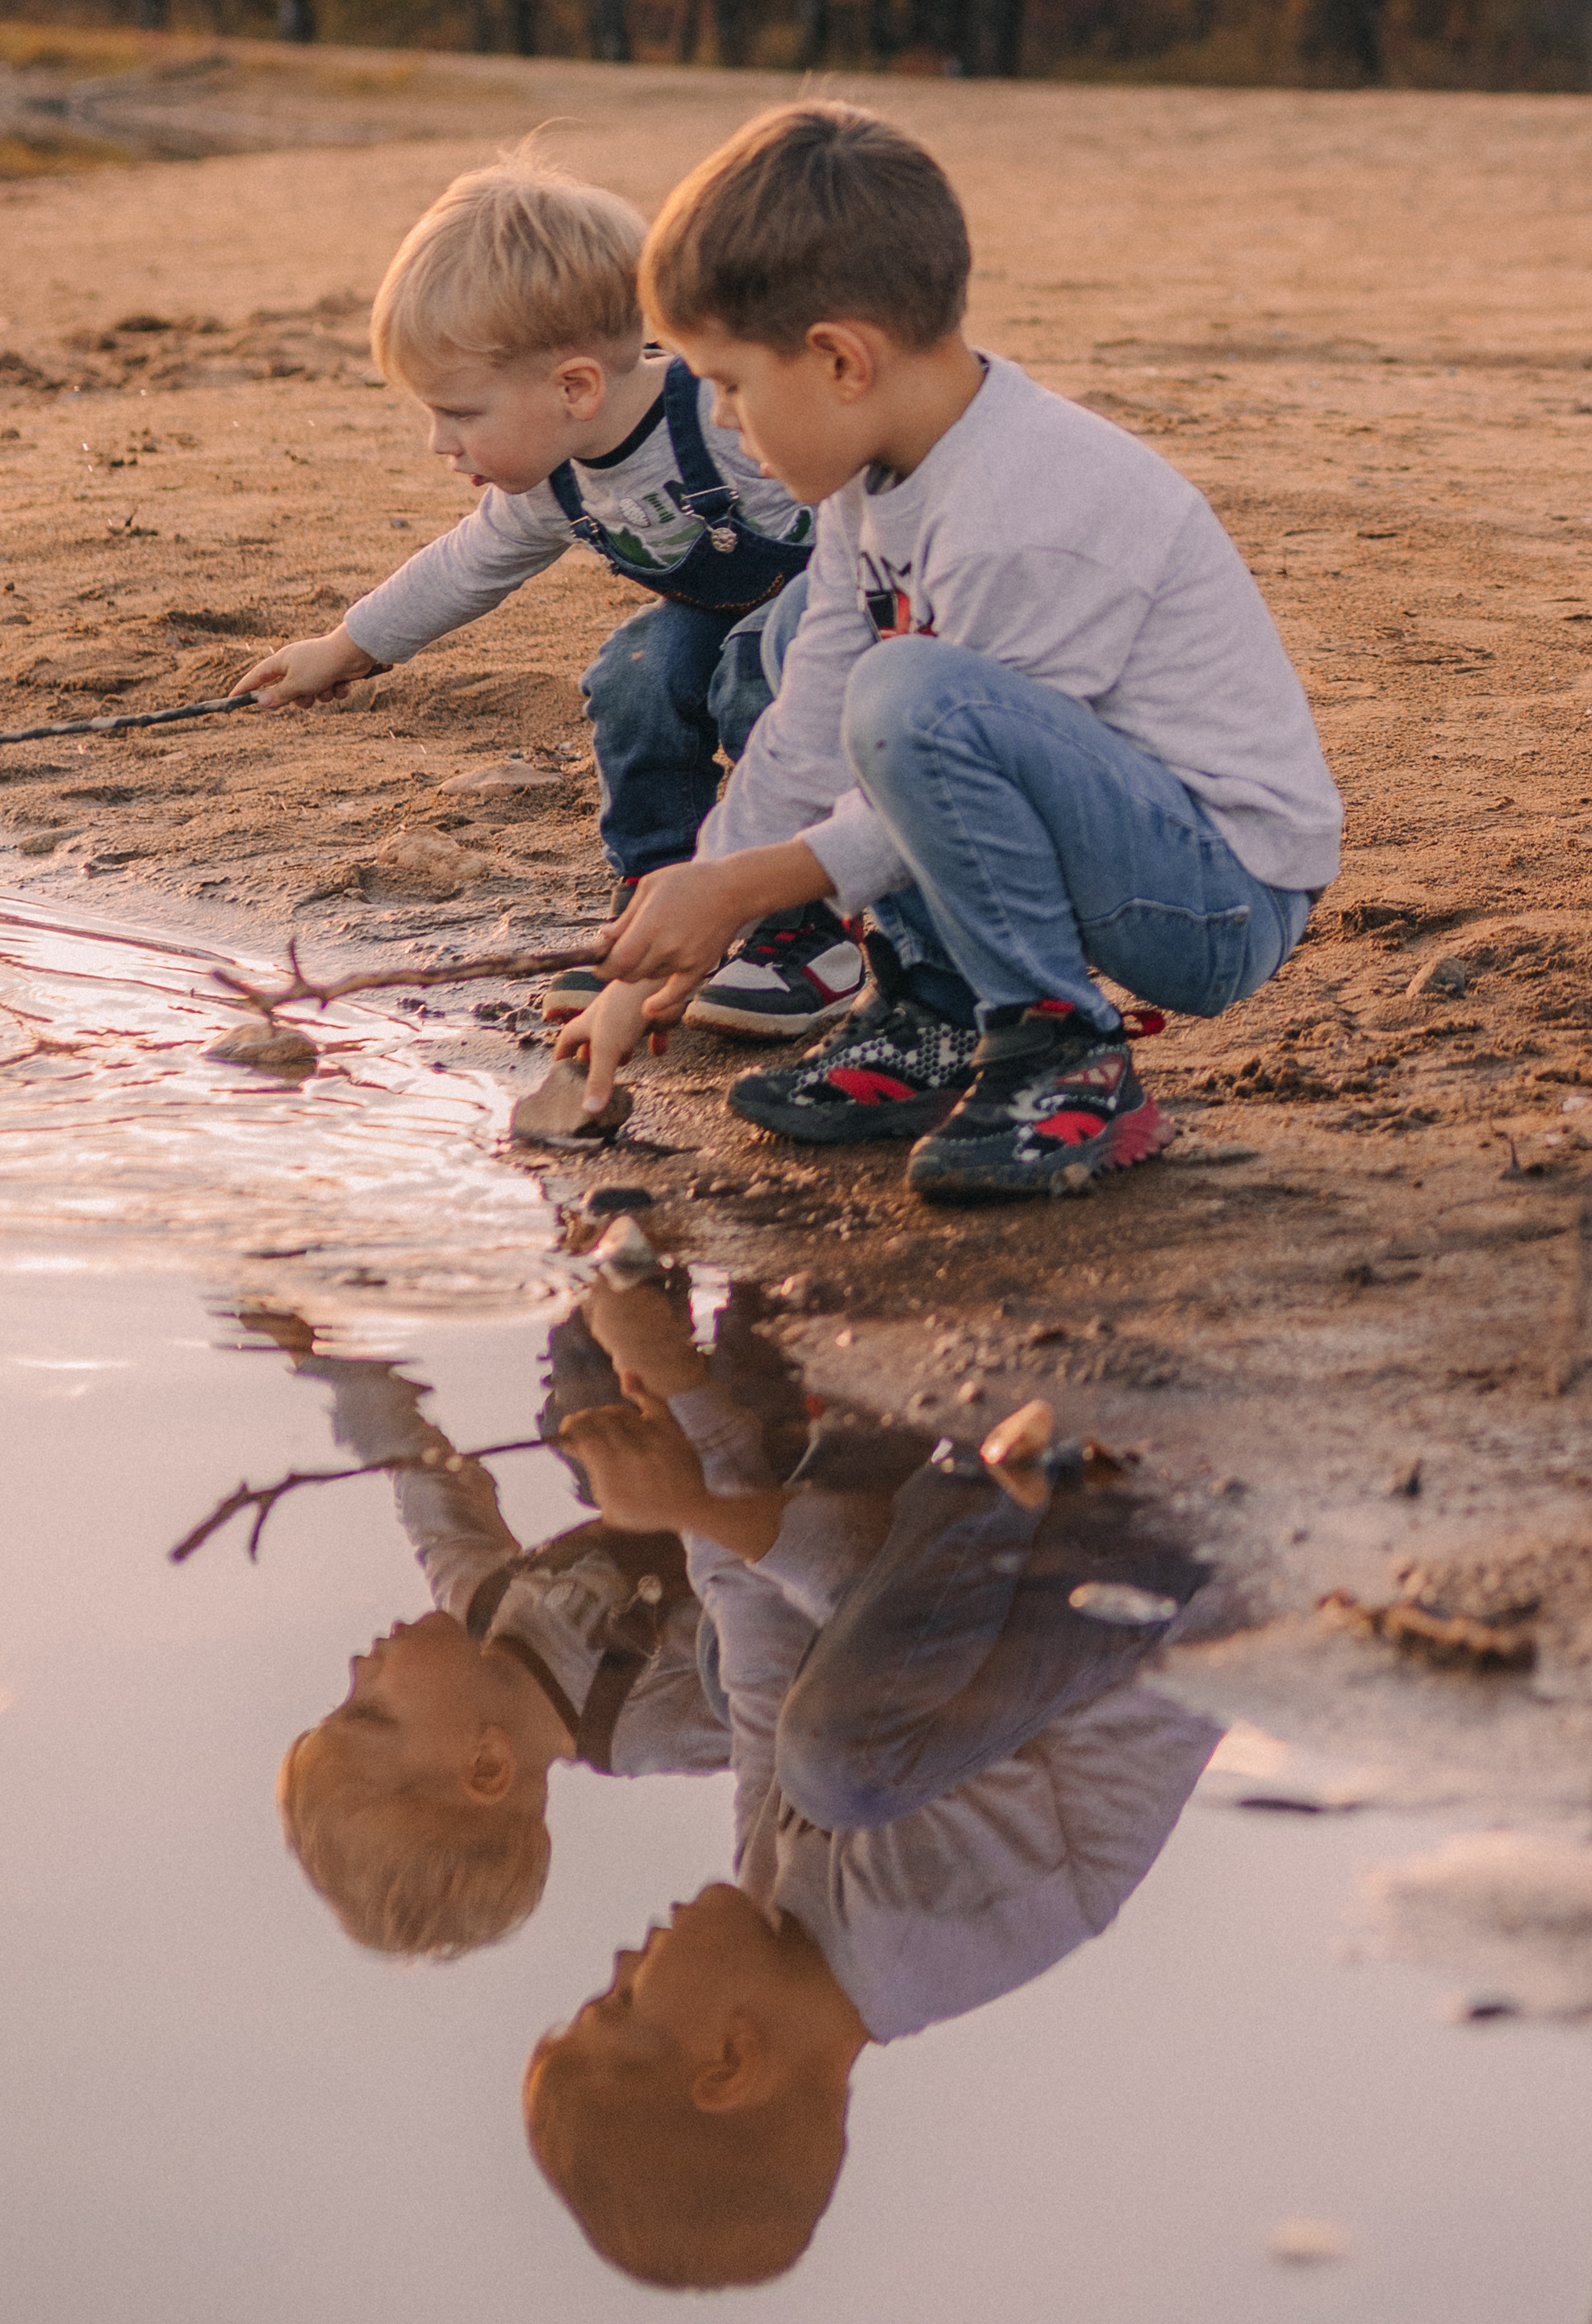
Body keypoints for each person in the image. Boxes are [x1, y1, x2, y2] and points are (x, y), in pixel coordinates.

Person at [554, 102, 1343, 1199]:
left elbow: (928, 768)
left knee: (911, 696)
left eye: (729, 384)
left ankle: (1066, 1056)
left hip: (1210, 897)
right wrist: (670, 936)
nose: (722, 421)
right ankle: (934, 1014)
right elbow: (806, 735)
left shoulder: (1027, 507)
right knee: (817, 657)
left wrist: (738, 891)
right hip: (1094, 840)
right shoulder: (874, 482)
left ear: (838, 362)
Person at [524, 1280, 1222, 2288]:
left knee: (739, 1661)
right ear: (727, 2063)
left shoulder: (777, 1895)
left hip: (1003, 1543)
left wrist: (668, 1381)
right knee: (839, 1761)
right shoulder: (922, 1933)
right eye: (624, 2000)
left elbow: (763, 1626)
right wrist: (686, 1500)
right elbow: (888, 1615)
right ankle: (998, 1407)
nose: (629, 1955)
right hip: (1153, 1550)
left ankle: (856, 1337)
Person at [229, 144, 865, 1042]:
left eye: (460, 412)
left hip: (844, 619)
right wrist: (345, 648)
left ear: (573, 386)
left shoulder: (722, 419)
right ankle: (654, 907)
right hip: (727, 622)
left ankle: (804, 932)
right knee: (634, 675)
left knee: (751, 670)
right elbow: (464, 566)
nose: (439, 444)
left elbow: (864, 510)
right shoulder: (550, 481)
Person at [257, 1307, 732, 1961]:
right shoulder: (649, 1720)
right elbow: (798, 1675)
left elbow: (419, 1471)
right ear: (486, 1763)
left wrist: (318, 1356)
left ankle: (621, 1248)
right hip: (785, 1504)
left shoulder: (485, 1606)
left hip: (694, 1443)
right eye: (372, 1712)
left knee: (582, 1415)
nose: (356, 1667)